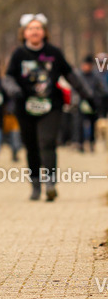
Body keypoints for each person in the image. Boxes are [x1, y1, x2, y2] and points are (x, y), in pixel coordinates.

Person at [6, 14, 93, 201]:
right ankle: (36, 184)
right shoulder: (18, 54)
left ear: (44, 32)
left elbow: (71, 75)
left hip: (51, 105)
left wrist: (87, 95)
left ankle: (51, 183)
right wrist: (14, 91)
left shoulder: (54, 53)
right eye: (31, 28)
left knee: (47, 142)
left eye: (38, 28)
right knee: (31, 146)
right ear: (24, 33)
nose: (35, 31)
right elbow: (9, 78)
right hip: (25, 106)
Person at [74, 55, 104, 152]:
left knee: (93, 124)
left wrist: (97, 98)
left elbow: (102, 89)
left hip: (93, 103)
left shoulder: (95, 76)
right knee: (79, 124)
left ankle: (92, 143)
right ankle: (80, 143)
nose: (86, 67)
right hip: (81, 103)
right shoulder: (78, 75)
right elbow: (74, 89)